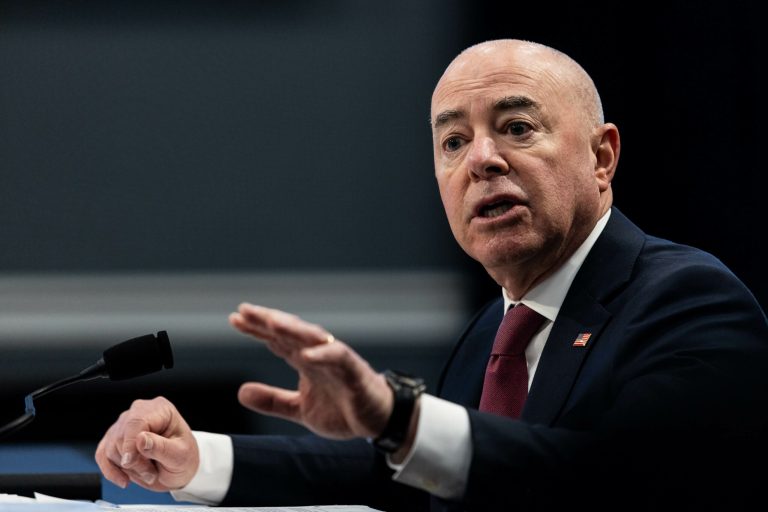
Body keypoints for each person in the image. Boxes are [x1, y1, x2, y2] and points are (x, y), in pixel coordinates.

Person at [95, 39, 768, 511]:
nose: (482, 159)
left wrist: (399, 416)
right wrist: (196, 461)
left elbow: (610, 485)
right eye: (452, 142)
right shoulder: (492, 333)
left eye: (517, 127)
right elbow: (416, 476)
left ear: (602, 156)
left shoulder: (691, 301)